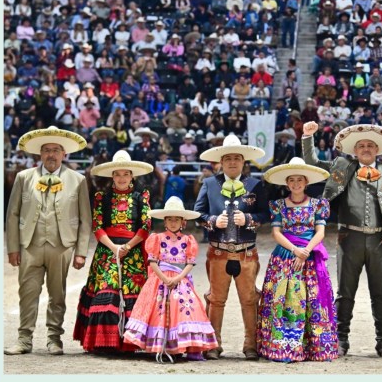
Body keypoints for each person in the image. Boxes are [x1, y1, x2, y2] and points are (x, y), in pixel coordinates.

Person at [301, 121, 382, 357]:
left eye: (370, 145)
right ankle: (341, 339)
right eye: (361, 146)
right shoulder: (342, 165)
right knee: (345, 292)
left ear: (377, 149)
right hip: (349, 237)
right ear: (355, 150)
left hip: (381, 240)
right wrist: (307, 137)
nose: (366, 149)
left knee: (381, 293)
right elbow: (312, 163)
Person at [4, 127, 91, 355]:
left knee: (57, 294)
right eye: (46, 150)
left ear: (64, 154)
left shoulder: (78, 180)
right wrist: (12, 247)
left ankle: (54, 339)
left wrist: (81, 251)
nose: (51, 154)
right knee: (27, 293)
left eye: (55, 150)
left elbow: (86, 219)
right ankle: (24, 339)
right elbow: (12, 214)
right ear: (40, 154)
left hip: (62, 246)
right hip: (30, 245)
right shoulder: (24, 177)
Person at [256, 157, 339, 362]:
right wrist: (295, 250)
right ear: (287, 183)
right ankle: (284, 346)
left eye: (299, 179)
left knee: (312, 298)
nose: (295, 184)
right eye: (291, 180)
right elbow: (276, 233)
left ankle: (313, 347)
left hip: (309, 255)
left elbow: (320, 232)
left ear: (306, 182)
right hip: (285, 255)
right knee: (282, 298)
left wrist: (306, 251)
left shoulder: (318, 205)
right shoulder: (278, 205)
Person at [194, 134, 269, 359]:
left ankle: (251, 345)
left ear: (243, 161)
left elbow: (265, 214)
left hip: (247, 252)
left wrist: (249, 219)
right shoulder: (209, 184)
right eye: (228, 158)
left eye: (237, 158)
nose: (233, 162)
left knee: (249, 299)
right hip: (218, 252)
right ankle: (213, 344)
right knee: (216, 299)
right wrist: (212, 221)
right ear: (221, 161)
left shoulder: (255, 184)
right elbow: (197, 214)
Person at [73, 149, 153, 353]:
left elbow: (146, 226)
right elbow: (97, 226)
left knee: (131, 292)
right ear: (112, 176)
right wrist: (114, 248)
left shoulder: (142, 196)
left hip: (133, 252)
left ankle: (130, 343)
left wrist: (127, 247)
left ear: (132, 176)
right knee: (107, 290)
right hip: (107, 251)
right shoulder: (101, 197)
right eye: (117, 174)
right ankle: (105, 343)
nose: (122, 178)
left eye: (126, 174)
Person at [123, 198, 218, 361]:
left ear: (183, 222)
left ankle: (179, 345)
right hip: (160, 279)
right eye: (170, 219)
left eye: (177, 219)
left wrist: (179, 278)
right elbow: (152, 262)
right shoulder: (157, 238)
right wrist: (164, 278)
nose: (173, 223)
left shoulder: (188, 241)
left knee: (184, 309)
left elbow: (189, 263)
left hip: (180, 280)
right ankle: (160, 345)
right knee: (158, 310)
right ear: (164, 221)